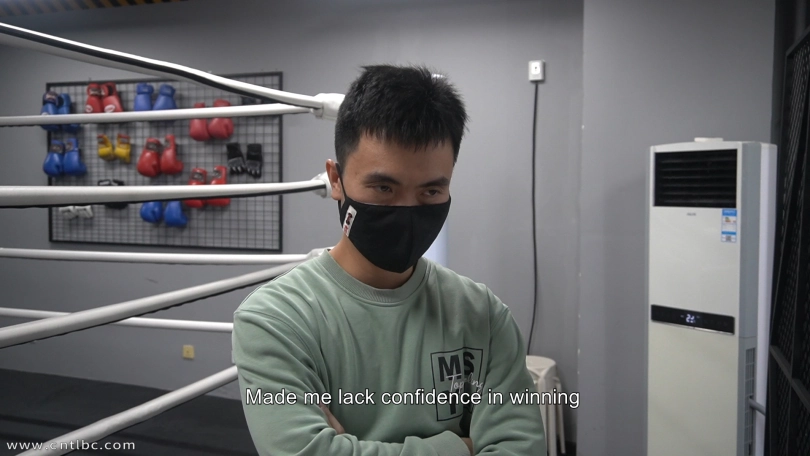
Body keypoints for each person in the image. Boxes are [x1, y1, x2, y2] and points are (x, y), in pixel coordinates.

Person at [232, 64, 546, 455]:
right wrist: (461, 447)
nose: (407, 210)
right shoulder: (276, 320)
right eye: (383, 188)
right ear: (336, 180)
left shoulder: (482, 315)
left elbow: (521, 448)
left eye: (430, 192)